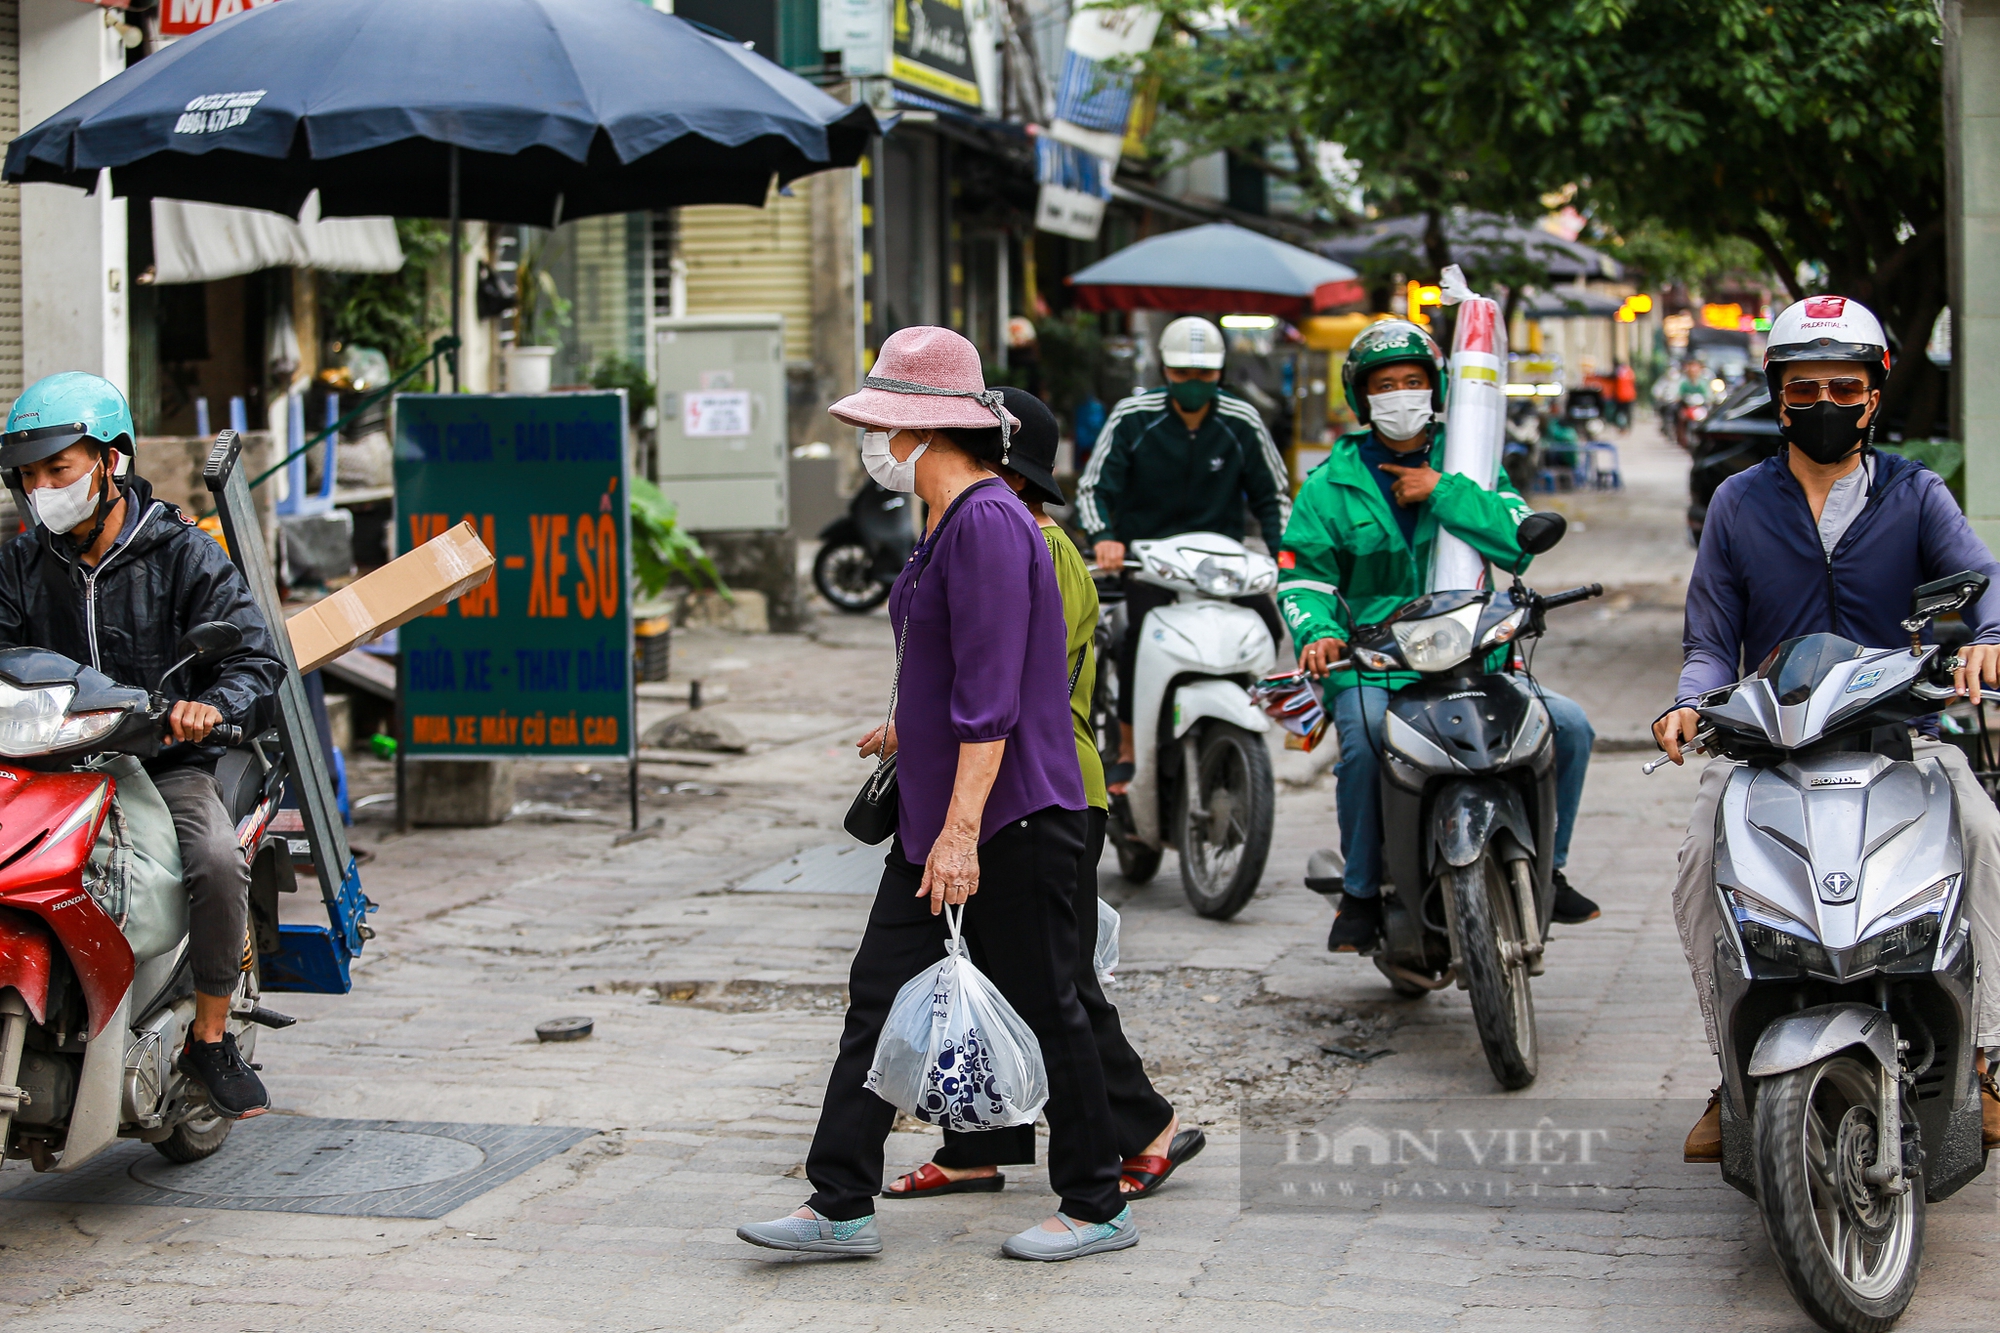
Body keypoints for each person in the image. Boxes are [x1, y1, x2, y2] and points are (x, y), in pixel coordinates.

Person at [736, 328, 1135, 1262]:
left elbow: (994, 702)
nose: (872, 442)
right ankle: (839, 1199)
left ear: (922, 429)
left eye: (881, 423)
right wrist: (910, 732)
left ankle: (1095, 1201)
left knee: (1051, 1001)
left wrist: (960, 835)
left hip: (1013, 818)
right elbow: (957, 675)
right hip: (941, 815)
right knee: (876, 992)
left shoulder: (991, 522)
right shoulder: (951, 523)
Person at [1652, 295, 2000, 1159]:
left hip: (1899, 735)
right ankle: (1730, 1070)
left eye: (1843, 385)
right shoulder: (1737, 503)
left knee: (1986, 840)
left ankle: (1985, 1055)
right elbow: (1708, 642)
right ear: (1776, 395)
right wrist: (1690, 702)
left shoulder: (1917, 493)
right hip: (1764, 743)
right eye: (1802, 386)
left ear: (1875, 394)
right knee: (1701, 865)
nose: (1822, 403)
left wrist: (1989, 640)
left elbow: (1982, 582)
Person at [882, 386, 1204, 1204]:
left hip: (1045, 786)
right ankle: (978, 1145)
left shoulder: (1027, 542)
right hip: (1000, 785)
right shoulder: (975, 530)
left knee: (1053, 985)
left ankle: (1141, 1131)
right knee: (991, 971)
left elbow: (1011, 682)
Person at [0, 372, 286, 1118]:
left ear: (110, 460)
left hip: (163, 764)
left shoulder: (180, 552)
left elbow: (256, 658)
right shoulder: (21, 564)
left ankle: (211, 1038)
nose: (42, 488)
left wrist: (207, 707)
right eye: (29, 475)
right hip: (50, 764)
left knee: (216, 859)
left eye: (57, 468)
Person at [1276, 320, 1601, 953]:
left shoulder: (1469, 461)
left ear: (1436, 388)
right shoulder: (1327, 486)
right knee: (1367, 744)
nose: (1400, 395)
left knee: (1570, 727)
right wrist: (1317, 633)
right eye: (1385, 385)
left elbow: (1516, 539)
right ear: (1363, 398)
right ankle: (1361, 895)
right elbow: (1304, 578)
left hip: (1477, 657)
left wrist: (1443, 491)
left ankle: (1549, 869)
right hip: (1375, 665)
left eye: (1413, 382)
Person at [1074, 316, 1290, 793]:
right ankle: (1128, 750)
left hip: (1221, 569)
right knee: (1134, 642)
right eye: (1183, 374)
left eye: (1205, 374)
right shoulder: (1133, 416)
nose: (1194, 384)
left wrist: (1285, 560)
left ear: (1221, 372)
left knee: (1270, 626)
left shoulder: (1242, 420)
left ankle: (1240, 719)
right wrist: (1106, 535)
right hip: (1148, 565)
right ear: (1166, 371)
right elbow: (1093, 489)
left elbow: (1273, 497)